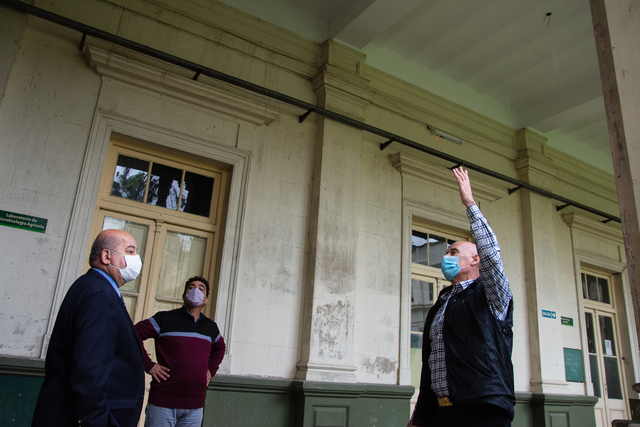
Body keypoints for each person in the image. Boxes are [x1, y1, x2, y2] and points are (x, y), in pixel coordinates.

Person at [408, 167, 515, 427]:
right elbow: (432, 364)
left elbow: (492, 255)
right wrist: (421, 416)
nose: (447, 257)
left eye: (454, 252)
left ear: (475, 260)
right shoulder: (442, 304)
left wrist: (470, 204)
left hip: (483, 409)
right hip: (442, 413)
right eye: (447, 252)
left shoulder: (490, 295)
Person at [32, 229, 146, 427]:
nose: (136, 258)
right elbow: (90, 371)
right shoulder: (99, 295)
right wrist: (99, 422)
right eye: (130, 251)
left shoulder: (91, 287)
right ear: (106, 256)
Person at [135, 276, 226, 427]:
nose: (195, 290)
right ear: (184, 296)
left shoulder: (211, 327)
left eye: (200, 288)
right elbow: (134, 333)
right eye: (191, 287)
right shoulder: (164, 319)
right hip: (163, 403)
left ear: (206, 300)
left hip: (194, 406)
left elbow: (220, 349)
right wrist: (148, 364)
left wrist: (211, 370)